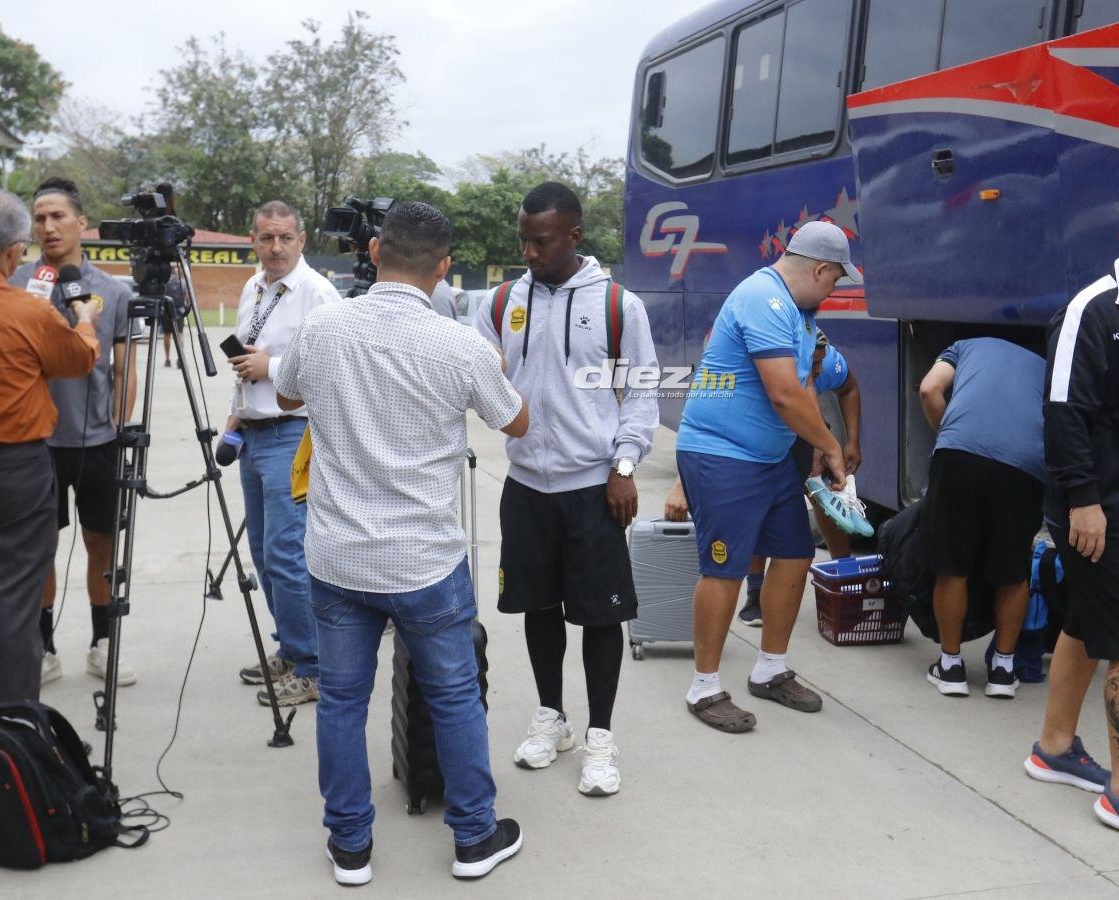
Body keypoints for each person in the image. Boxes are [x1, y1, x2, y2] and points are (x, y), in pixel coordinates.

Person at [275, 201, 528, 884]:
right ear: (444, 268)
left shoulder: (324, 325)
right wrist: (493, 366)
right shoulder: (461, 345)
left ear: (378, 249)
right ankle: (475, 837)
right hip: (425, 562)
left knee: (341, 702)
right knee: (453, 699)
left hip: (337, 556)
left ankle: (350, 846)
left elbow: (287, 392)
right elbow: (518, 422)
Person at [474, 181, 659, 796]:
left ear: (574, 235)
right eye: (523, 239)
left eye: (541, 241)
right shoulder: (501, 302)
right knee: (537, 607)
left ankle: (600, 737)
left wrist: (624, 466)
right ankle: (552, 718)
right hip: (526, 485)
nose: (528, 251)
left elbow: (641, 393)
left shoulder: (617, 305)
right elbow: (479, 377)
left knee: (600, 617)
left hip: (593, 487)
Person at [1025, 177, 1119, 851]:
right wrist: (1083, 500)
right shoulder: (1096, 310)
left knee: (1084, 626)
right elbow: (1063, 415)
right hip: (1104, 516)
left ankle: (1055, 746)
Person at [675, 221, 857, 733]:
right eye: (836, 280)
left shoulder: (800, 315)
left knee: (796, 555)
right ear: (819, 269)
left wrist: (817, 445)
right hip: (723, 455)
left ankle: (770, 669)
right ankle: (705, 686)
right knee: (724, 569)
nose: (835, 290)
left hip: (770, 457)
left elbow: (813, 385)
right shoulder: (762, 298)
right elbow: (784, 393)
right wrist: (828, 445)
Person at [0, 187, 100, 708]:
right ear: (12, 252)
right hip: (14, 465)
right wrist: (86, 319)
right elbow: (79, 360)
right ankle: (10, 729)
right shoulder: (28, 311)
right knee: (15, 600)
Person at [10, 178, 139, 687]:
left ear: (81, 223)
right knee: (39, 549)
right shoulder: (18, 283)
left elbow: (125, 368)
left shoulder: (112, 290)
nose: (48, 226)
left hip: (98, 444)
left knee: (101, 543)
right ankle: (42, 647)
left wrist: (120, 423)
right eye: (39, 218)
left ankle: (103, 643)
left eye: (58, 216)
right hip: (33, 443)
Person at [665, 331, 864, 626]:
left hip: (802, 423)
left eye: (822, 363)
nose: (821, 370)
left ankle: (843, 572)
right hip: (757, 431)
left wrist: (851, 442)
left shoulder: (826, 361)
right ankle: (755, 590)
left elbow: (848, 389)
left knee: (824, 493)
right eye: (814, 366)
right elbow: (702, 427)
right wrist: (682, 484)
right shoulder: (742, 370)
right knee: (758, 502)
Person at [227, 200, 340, 706]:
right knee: (262, 555)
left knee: (287, 554)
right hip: (252, 433)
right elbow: (241, 359)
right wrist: (233, 420)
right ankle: (291, 651)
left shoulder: (318, 294)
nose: (275, 247)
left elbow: (334, 368)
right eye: (266, 238)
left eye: (285, 238)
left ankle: (314, 667)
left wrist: (270, 367)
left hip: (293, 434)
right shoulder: (252, 287)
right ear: (252, 238)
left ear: (302, 239)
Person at [917, 337, 1046, 699]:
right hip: (1025, 467)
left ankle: (951, 666)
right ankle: (1003, 671)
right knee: (1013, 569)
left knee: (952, 565)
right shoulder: (1046, 368)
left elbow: (929, 389)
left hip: (960, 454)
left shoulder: (963, 347)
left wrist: (949, 434)